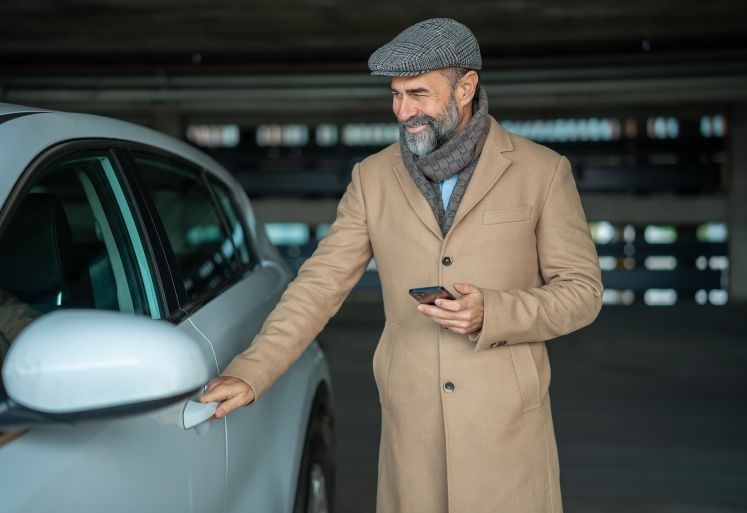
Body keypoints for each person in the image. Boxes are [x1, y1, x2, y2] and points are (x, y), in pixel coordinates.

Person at [200, 17, 603, 513]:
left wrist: (492, 312)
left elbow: (583, 291)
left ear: (466, 87)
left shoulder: (542, 171)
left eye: (418, 93)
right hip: (411, 428)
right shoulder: (372, 178)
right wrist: (252, 371)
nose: (402, 110)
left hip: (507, 427)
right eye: (395, 94)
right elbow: (320, 283)